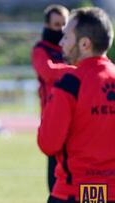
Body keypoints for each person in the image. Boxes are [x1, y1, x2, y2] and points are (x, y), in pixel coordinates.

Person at [38, 7, 115, 203]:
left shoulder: (70, 84)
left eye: (66, 36)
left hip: (75, 191)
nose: (61, 42)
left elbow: (48, 143)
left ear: (84, 44)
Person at [31, 4, 76, 192]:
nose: (60, 29)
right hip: (53, 115)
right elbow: (48, 72)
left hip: (77, 115)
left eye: (64, 25)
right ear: (47, 25)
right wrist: (77, 71)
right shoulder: (40, 49)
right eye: (57, 24)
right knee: (56, 171)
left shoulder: (73, 48)